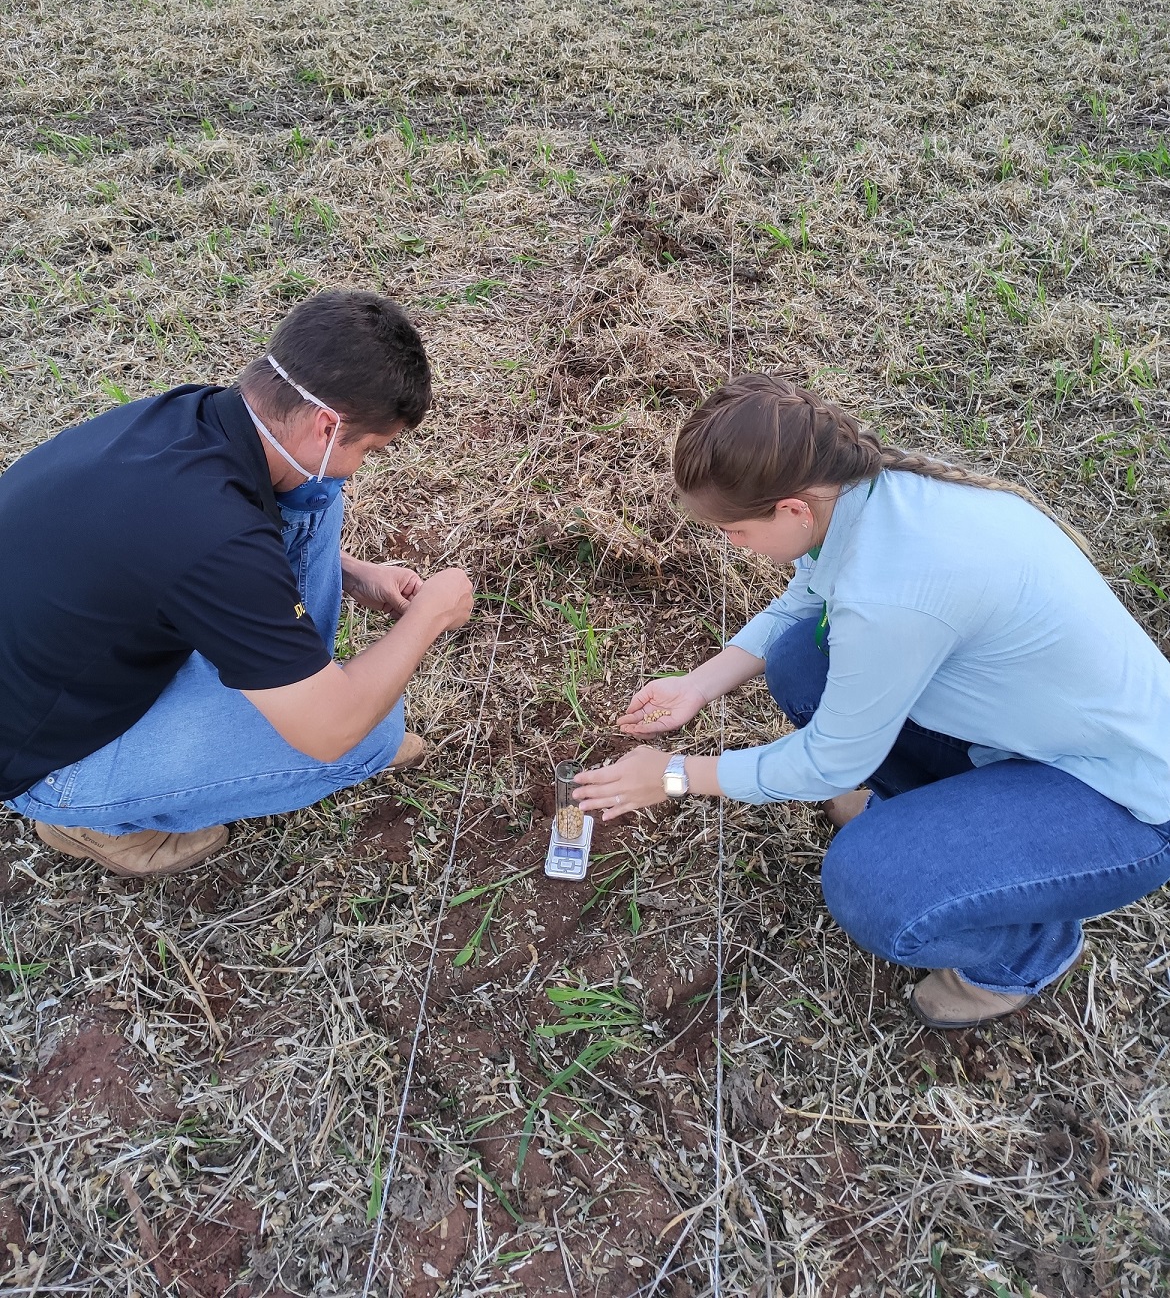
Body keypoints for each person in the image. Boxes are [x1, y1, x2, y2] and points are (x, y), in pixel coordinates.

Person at [573, 375, 1170, 1029]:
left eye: (736, 532)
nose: (731, 545)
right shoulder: (868, 493)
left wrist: (675, 775)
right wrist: (698, 684)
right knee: (805, 659)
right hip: (1034, 737)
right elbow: (809, 594)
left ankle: (1024, 952)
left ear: (792, 510)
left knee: (871, 885)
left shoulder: (892, 595)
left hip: (1124, 802)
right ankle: (929, 817)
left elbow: (827, 762)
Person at [1, 289, 473, 878]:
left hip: (53, 661)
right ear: (328, 424)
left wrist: (353, 572)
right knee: (365, 735)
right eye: (371, 448)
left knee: (311, 493)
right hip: (47, 757)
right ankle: (85, 819)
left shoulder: (192, 417)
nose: (365, 461)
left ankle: (296, 675)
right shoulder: (212, 538)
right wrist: (431, 612)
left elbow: (183, 555)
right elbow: (330, 734)